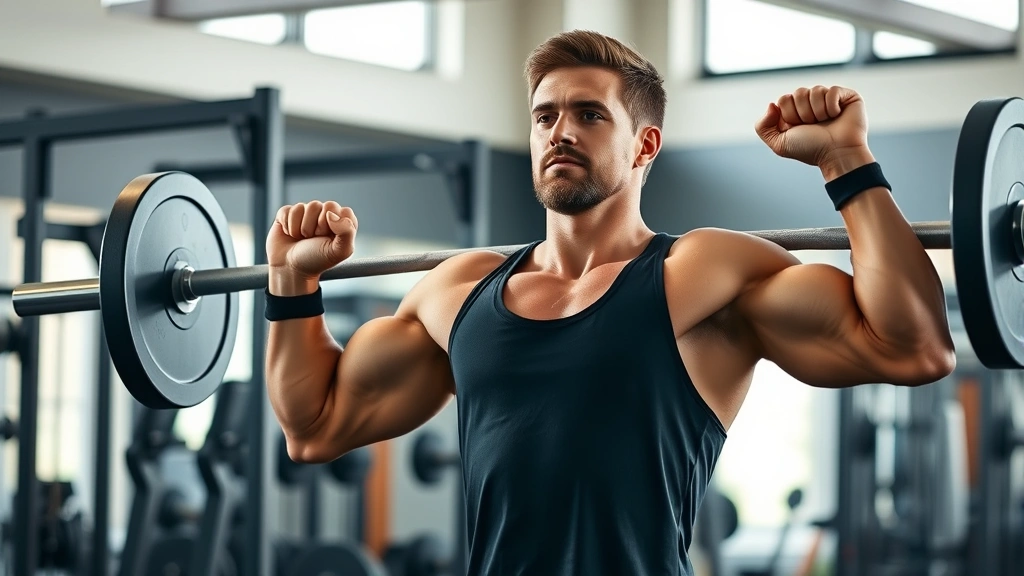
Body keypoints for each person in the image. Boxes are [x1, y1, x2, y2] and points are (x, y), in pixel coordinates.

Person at [263, 30, 956, 576]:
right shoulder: (459, 290)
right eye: (545, 116)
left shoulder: (702, 275)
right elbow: (315, 427)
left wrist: (845, 162)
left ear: (644, 145)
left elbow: (913, 347)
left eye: (589, 114)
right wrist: (292, 282)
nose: (559, 131)